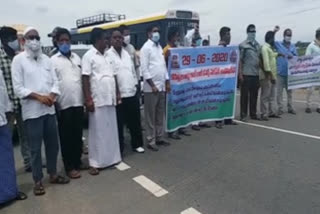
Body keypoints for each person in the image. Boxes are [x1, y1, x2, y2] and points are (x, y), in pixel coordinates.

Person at [12, 27, 69, 196]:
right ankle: (37, 180)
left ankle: (52, 174)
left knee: (53, 145)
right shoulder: (19, 60)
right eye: (31, 37)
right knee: (35, 149)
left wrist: (51, 94)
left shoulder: (47, 60)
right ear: (24, 41)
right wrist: (38, 97)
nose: (34, 40)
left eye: (37, 37)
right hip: (32, 113)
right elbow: (18, 88)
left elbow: (55, 81)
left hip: (49, 110)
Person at [82, 28, 121, 175]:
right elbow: (85, 78)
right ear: (97, 39)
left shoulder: (109, 56)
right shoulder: (89, 56)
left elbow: (114, 76)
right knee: (97, 132)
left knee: (111, 130)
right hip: (97, 99)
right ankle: (95, 163)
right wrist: (88, 99)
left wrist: (117, 94)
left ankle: (112, 158)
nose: (107, 41)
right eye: (105, 39)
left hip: (110, 98)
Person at [51, 28, 85, 179]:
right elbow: (51, 83)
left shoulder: (77, 58)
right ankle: (69, 166)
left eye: (67, 40)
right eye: (61, 41)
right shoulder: (53, 61)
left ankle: (78, 162)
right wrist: (55, 103)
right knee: (66, 137)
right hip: (63, 104)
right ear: (57, 43)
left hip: (78, 102)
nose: (65, 43)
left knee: (78, 134)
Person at [107, 29, 145, 154]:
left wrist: (136, 85)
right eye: (115, 37)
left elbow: (133, 71)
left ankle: (137, 144)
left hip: (131, 91)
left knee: (135, 121)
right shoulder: (108, 55)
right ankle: (119, 148)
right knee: (118, 124)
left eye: (120, 37)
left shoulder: (127, 54)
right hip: (118, 95)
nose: (118, 39)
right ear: (111, 40)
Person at [0, 26, 31, 172]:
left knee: (26, 136)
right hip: (8, 107)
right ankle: (7, 168)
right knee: (7, 139)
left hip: (22, 102)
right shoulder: (1, 57)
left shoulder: (18, 56)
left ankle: (29, 162)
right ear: (5, 39)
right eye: (13, 39)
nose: (16, 41)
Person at [140, 25, 171, 152]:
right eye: (154, 31)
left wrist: (167, 81)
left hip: (161, 86)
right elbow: (144, 69)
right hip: (151, 88)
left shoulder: (159, 47)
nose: (157, 33)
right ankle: (150, 140)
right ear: (149, 34)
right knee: (150, 116)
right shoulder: (145, 48)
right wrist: (152, 85)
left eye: (158, 31)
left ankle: (159, 137)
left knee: (159, 115)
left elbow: (163, 67)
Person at [0, 68, 27, 204]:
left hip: (2, 118)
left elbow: (2, 88)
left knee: (7, 158)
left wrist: (8, 109)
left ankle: (11, 192)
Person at [163, 27, 191, 140]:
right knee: (171, 107)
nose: (178, 38)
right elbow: (164, 67)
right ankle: (172, 130)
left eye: (179, 36)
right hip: (170, 83)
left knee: (181, 106)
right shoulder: (167, 50)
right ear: (171, 36)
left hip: (180, 83)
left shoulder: (178, 49)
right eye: (176, 36)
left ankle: (181, 127)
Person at [216, 27, 237, 128]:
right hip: (220, 79)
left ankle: (228, 118)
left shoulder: (230, 49)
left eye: (230, 34)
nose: (230, 36)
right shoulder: (218, 49)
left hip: (229, 79)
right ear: (223, 36)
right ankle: (218, 120)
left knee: (228, 98)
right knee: (220, 99)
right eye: (228, 34)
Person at [239, 24, 261, 122]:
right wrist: (240, 74)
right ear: (247, 33)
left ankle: (253, 113)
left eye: (254, 32)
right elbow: (240, 60)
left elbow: (260, 59)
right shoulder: (243, 45)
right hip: (246, 73)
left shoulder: (257, 45)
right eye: (251, 32)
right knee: (244, 96)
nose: (253, 33)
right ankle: (243, 114)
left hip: (256, 74)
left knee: (254, 95)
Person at [275, 29, 297, 115]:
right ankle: (280, 108)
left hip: (290, 73)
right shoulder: (278, 44)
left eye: (290, 35)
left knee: (290, 92)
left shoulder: (293, 46)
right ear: (284, 35)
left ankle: (290, 107)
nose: (289, 37)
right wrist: (274, 31)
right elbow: (271, 40)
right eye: (287, 35)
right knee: (279, 92)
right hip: (280, 72)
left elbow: (296, 58)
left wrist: (293, 56)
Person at [260, 31, 281, 121]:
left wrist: (278, 54)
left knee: (272, 95)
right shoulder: (265, 48)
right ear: (270, 39)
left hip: (273, 75)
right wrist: (271, 76)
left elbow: (272, 56)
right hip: (267, 76)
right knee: (265, 95)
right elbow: (266, 64)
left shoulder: (270, 48)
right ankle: (264, 113)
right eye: (273, 39)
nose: (274, 40)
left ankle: (271, 112)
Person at [305, 28, 320, 113]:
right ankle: (308, 106)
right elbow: (307, 57)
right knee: (310, 90)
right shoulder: (311, 46)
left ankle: (319, 106)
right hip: (313, 71)